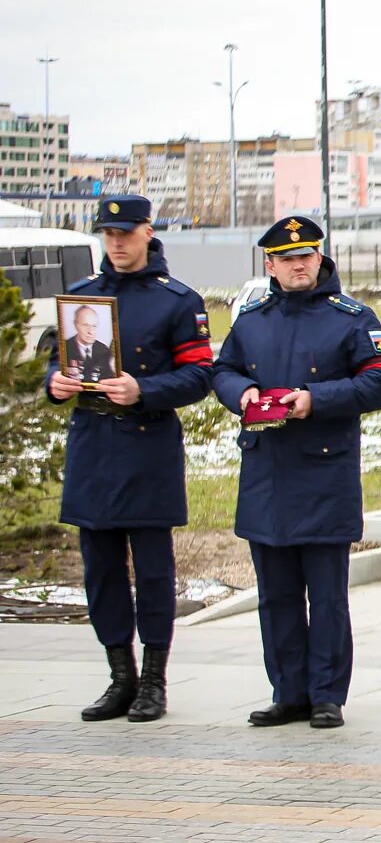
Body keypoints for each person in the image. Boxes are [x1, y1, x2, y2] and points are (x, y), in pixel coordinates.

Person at [211, 216, 381, 730]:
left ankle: (326, 694)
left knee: (328, 596)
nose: (299, 265)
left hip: (324, 475)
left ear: (320, 259)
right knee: (276, 595)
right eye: (287, 258)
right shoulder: (252, 319)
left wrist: (316, 400)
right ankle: (287, 691)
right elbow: (223, 370)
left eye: (307, 256)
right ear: (269, 264)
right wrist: (240, 394)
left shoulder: (353, 318)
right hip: (267, 473)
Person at [45, 194, 214, 723]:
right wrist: (55, 384)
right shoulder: (81, 298)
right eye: (108, 234)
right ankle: (120, 675)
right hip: (93, 447)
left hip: (147, 445)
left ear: (148, 231)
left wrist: (143, 388)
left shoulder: (177, 302)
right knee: (100, 570)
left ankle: (154, 682)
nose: (116, 243)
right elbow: (56, 365)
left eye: (125, 232)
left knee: (154, 571)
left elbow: (199, 376)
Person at [63, 304, 115, 383]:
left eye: (94, 326)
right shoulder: (64, 347)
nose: (90, 331)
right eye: (85, 325)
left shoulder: (104, 350)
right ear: (75, 325)